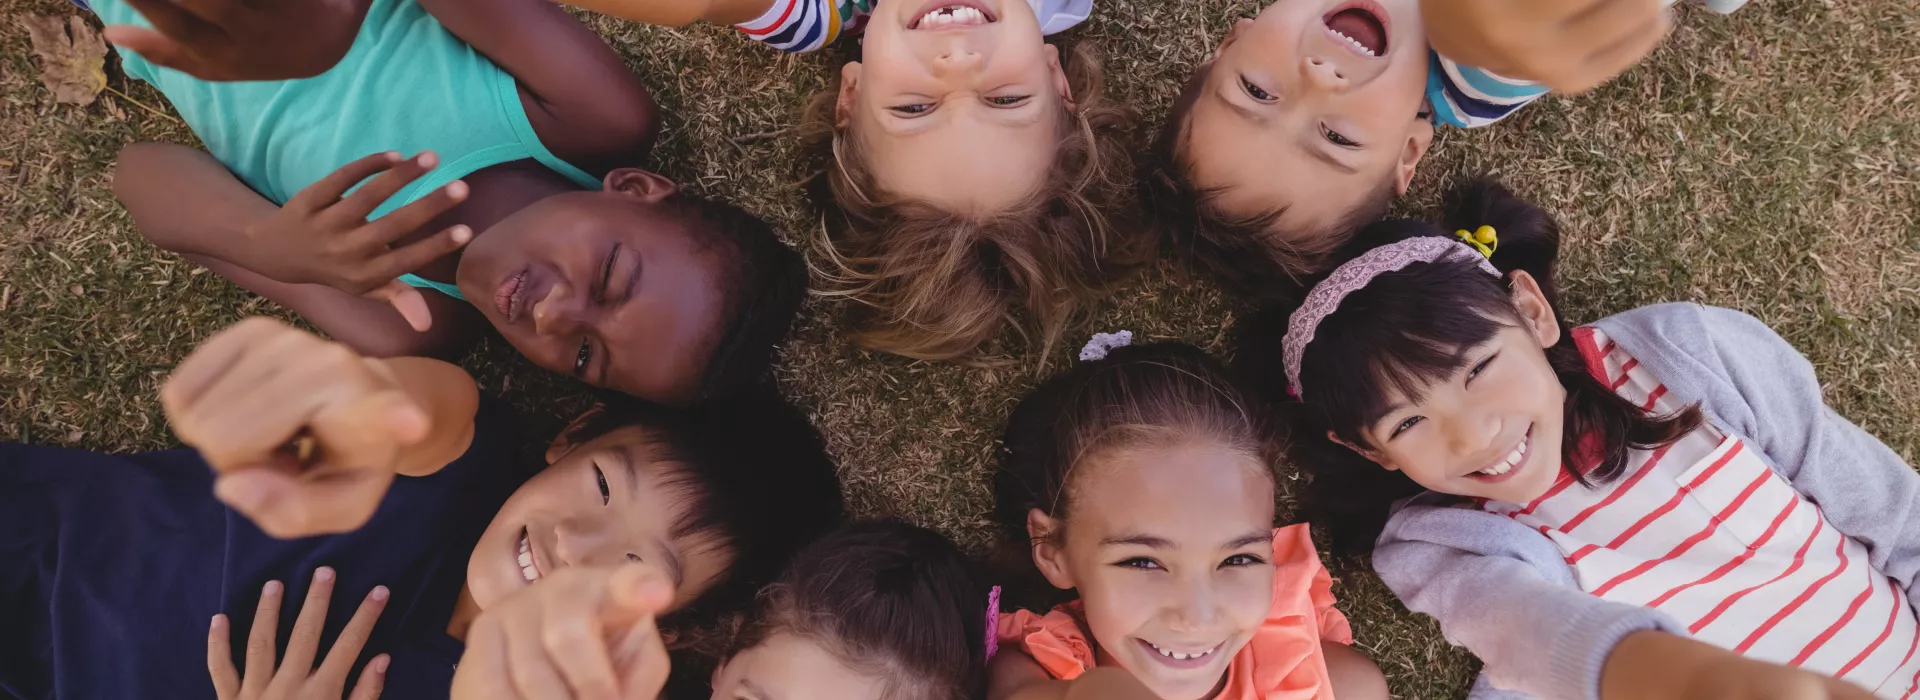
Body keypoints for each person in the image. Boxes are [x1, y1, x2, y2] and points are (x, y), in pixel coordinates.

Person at [1235, 178, 1912, 699]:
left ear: (1532, 313)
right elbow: (1524, 630)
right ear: (1370, 452)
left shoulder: (1686, 355)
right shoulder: (1435, 543)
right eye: (1407, 423)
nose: (1473, 434)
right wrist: (1670, 678)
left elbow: (1890, 510)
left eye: (1478, 369)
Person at [0, 317, 844, 699]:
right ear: (576, 432)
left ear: (665, 631)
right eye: (600, 488)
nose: (572, 545)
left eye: (633, 569)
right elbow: (419, 406)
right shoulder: (457, 455)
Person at [96, 0, 806, 405]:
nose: (557, 316)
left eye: (586, 355)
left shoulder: (407, 319)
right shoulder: (591, 117)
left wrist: (271, 245)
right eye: (610, 277)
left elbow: (138, 176)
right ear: (637, 189)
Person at [1143, 0, 1743, 297]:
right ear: (1408, 149)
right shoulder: (1486, 64)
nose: (1318, 78)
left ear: (1232, 40)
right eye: (1336, 137)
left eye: (1257, 90)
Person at [987, 339, 1387, 700]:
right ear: (1053, 548)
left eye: (1238, 558)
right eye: (1143, 561)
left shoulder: (1338, 687)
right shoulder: (1033, 675)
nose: (1198, 616)